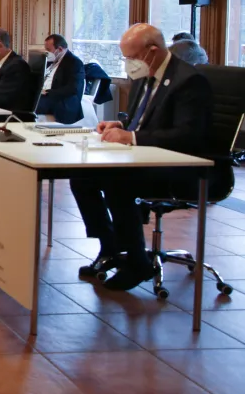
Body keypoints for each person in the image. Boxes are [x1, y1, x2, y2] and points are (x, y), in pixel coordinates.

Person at [69, 23, 214, 290]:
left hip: (183, 167)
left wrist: (132, 137)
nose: (129, 63)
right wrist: (121, 125)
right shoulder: (143, 77)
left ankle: (137, 261)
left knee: (118, 182)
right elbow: (144, 120)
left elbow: (187, 136)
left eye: (132, 57)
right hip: (144, 158)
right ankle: (110, 247)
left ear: (153, 50)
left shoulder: (189, 81)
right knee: (81, 177)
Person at [35, 33, 86, 124]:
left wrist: (47, 92)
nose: (46, 52)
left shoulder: (74, 62)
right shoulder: (50, 61)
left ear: (60, 49)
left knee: (30, 105)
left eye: (48, 50)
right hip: (44, 95)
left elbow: (73, 88)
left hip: (61, 100)